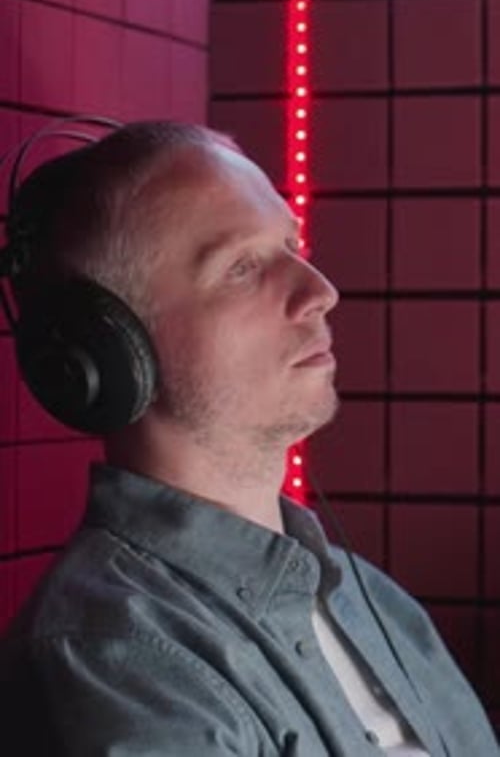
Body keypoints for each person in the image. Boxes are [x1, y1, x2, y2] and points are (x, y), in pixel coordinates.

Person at [0, 120, 497, 756]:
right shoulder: (111, 663)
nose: (320, 291)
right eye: (242, 267)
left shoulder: (375, 604)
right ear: (113, 352)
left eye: (292, 245)